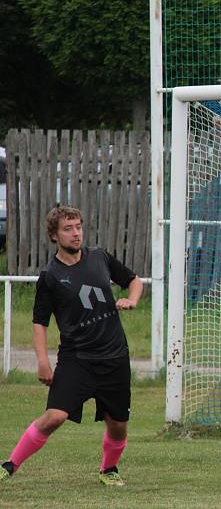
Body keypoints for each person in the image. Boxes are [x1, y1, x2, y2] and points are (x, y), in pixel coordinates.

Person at [0, 206, 143, 487]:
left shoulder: (100, 257)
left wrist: (133, 299)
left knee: (118, 425)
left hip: (114, 356)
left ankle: (108, 471)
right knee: (54, 417)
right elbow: (40, 322)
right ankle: (9, 465)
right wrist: (42, 361)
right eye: (68, 228)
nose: (75, 233)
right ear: (54, 235)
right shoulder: (50, 276)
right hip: (76, 358)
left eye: (78, 226)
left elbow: (133, 280)